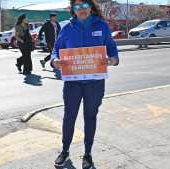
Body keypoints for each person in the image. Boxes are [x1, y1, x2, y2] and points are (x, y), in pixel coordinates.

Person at [51, 0, 119, 168]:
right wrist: (55, 61)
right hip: (72, 84)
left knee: (90, 117)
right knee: (69, 117)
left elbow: (111, 48)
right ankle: (65, 150)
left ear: (90, 7)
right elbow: (56, 49)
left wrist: (113, 59)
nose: (81, 9)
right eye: (77, 6)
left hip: (95, 83)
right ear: (73, 9)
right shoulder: (67, 28)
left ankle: (87, 153)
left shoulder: (101, 26)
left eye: (84, 5)